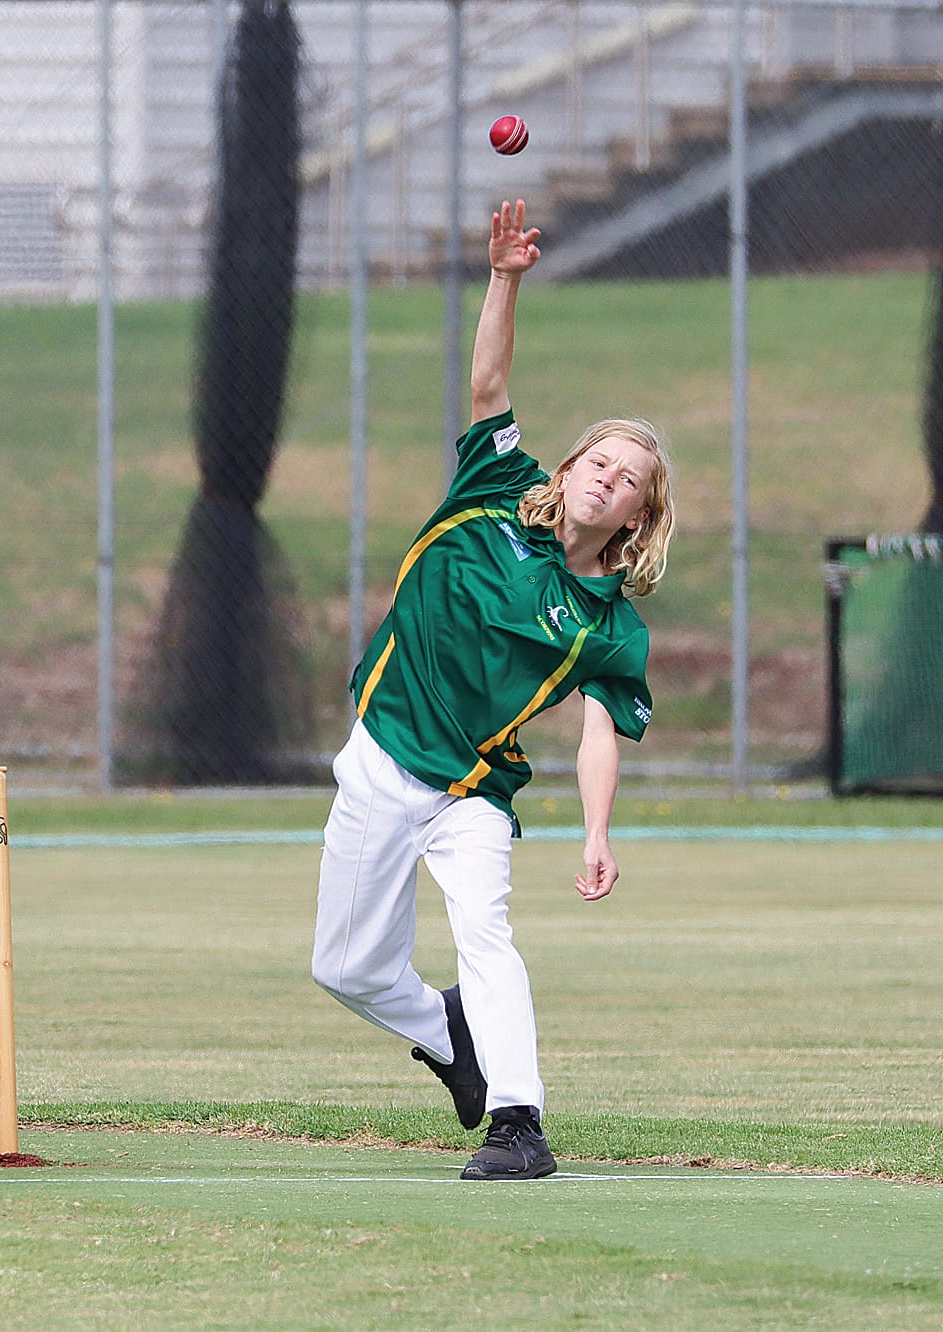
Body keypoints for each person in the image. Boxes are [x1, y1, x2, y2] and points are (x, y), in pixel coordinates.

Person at [310, 199, 676, 1180]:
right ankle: (446, 1034)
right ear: (566, 467)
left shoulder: (608, 623)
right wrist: (504, 275)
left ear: (642, 513)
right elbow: (486, 381)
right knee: (341, 969)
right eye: (597, 461)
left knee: (484, 928)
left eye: (629, 478)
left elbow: (598, 732)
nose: (607, 479)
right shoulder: (490, 487)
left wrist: (596, 832)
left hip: (471, 787)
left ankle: (518, 1124)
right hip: (383, 754)